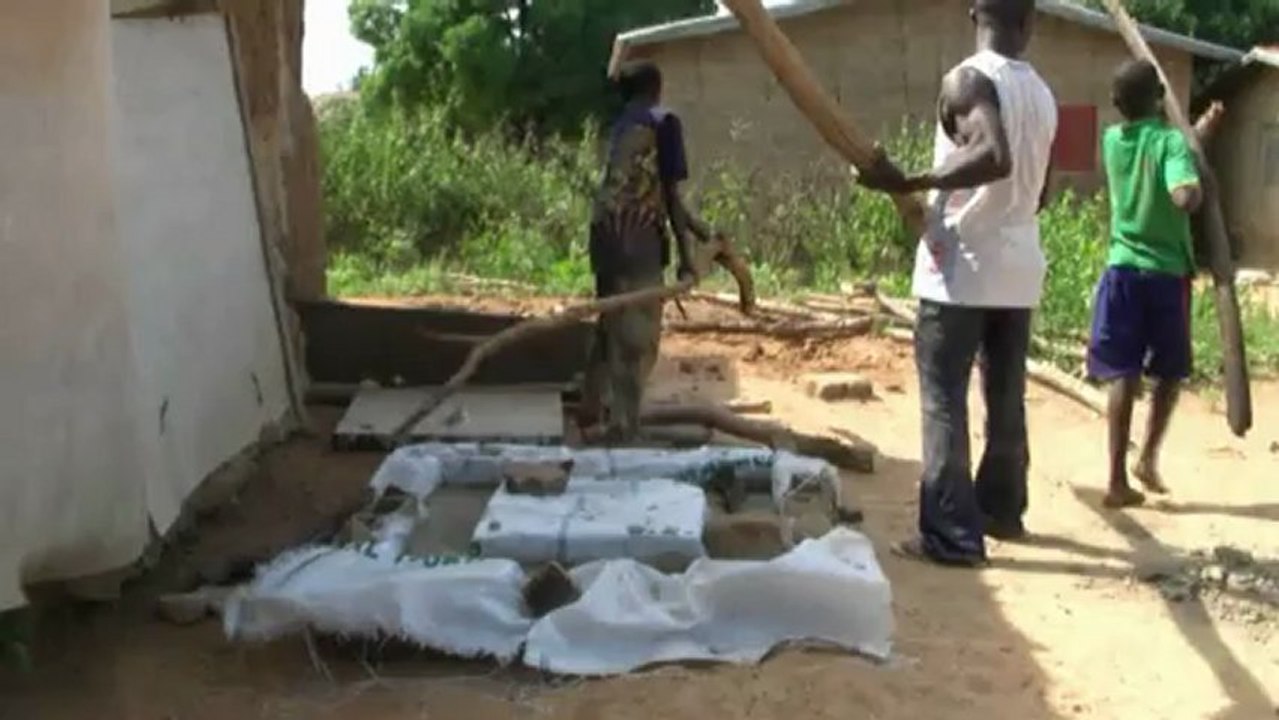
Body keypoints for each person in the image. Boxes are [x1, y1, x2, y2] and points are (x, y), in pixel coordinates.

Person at [859, 0, 1057, 567]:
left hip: (963, 269)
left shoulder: (966, 79)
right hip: (1019, 266)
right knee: (1005, 394)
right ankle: (1000, 509)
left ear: (975, 15)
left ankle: (951, 535)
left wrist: (912, 179)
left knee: (944, 401)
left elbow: (993, 156)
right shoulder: (1042, 93)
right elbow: (1039, 187)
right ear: (1029, 23)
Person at [1088, 60, 1214, 509]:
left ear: (1117, 104)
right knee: (1170, 372)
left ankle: (1117, 478)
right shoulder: (1170, 144)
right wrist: (1196, 186)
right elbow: (1182, 194)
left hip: (1121, 269)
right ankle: (1148, 457)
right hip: (1164, 274)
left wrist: (1196, 134)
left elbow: (1159, 149)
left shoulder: (1111, 140)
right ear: (1160, 95)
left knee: (1122, 373)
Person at [579, 61, 710, 442]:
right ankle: (623, 428)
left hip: (605, 234)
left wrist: (701, 231)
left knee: (610, 324)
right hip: (637, 237)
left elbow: (643, 189)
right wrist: (687, 259)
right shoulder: (664, 121)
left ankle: (591, 407)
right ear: (658, 87)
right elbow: (669, 194)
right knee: (636, 338)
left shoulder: (622, 124)